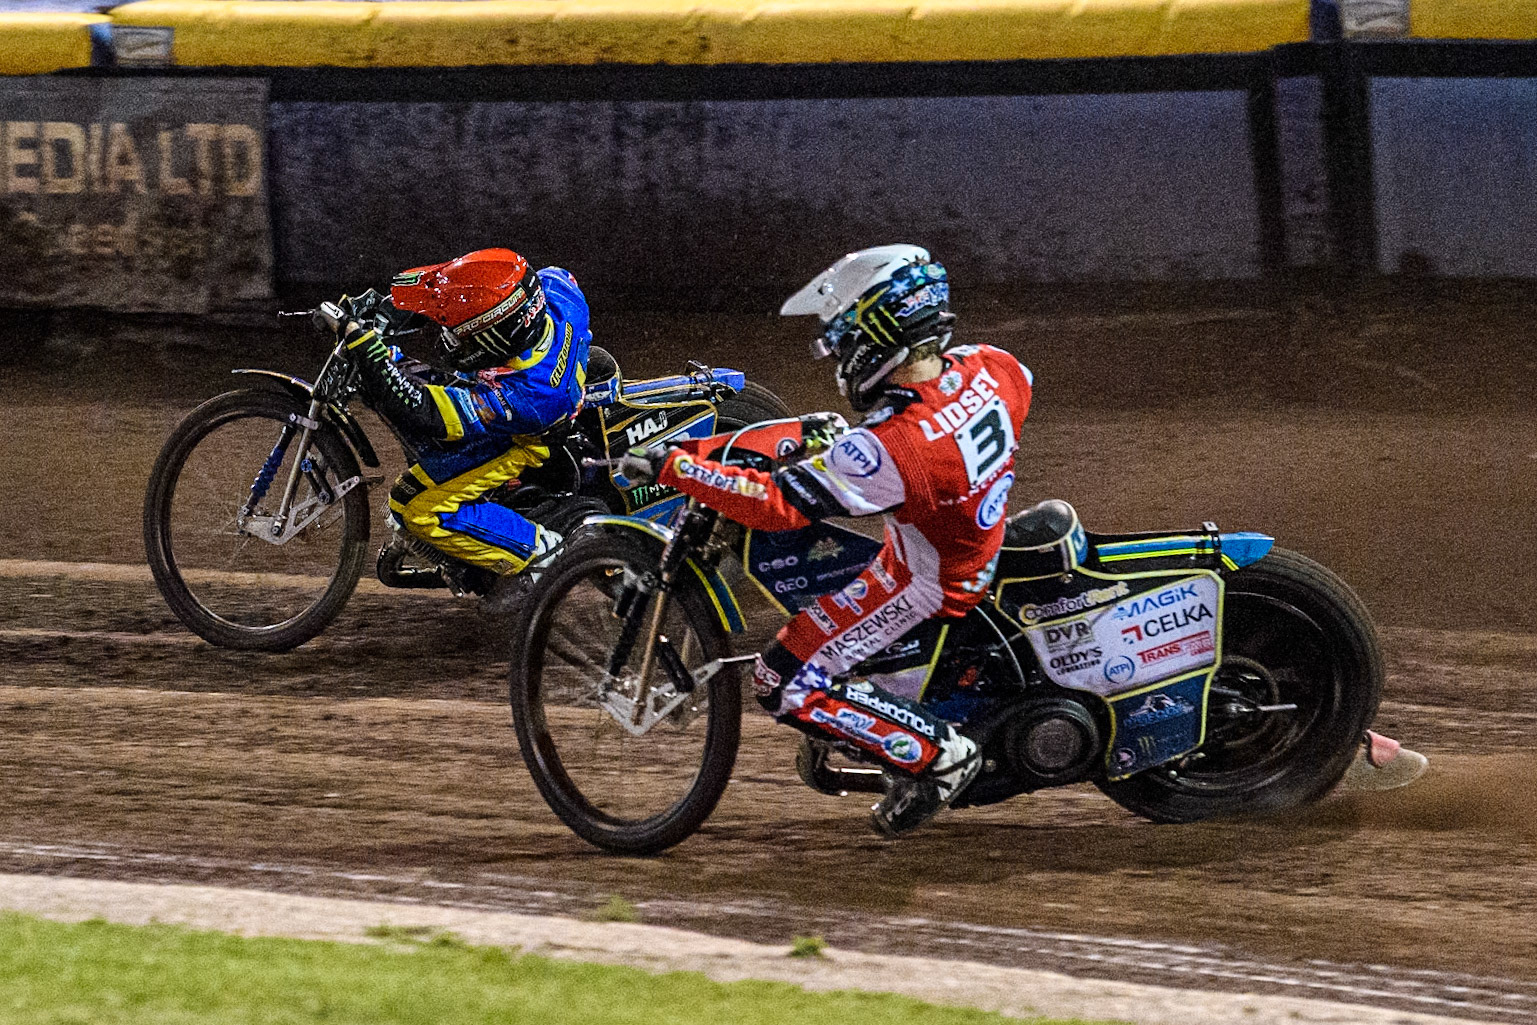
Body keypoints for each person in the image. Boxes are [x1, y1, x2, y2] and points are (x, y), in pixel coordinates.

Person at [623, 244, 1032, 836]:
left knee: (780, 679)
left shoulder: (897, 446)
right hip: (970, 543)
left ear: (879, 331)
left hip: (923, 584)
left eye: (843, 338)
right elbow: (967, 401)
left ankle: (938, 756)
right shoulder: (996, 368)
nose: (839, 354)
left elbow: (777, 505)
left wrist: (677, 467)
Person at [336, 248, 592, 589]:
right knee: (415, 375)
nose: (448, 336)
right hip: (539, 390)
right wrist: (389, 309)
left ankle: (538, 554)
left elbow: (424, 410)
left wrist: (371, 353)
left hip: (524, 437)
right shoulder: (555, 289)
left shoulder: (527, 395)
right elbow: (480, 286)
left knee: (413, 502)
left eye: (461, 333)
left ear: (497, 337)